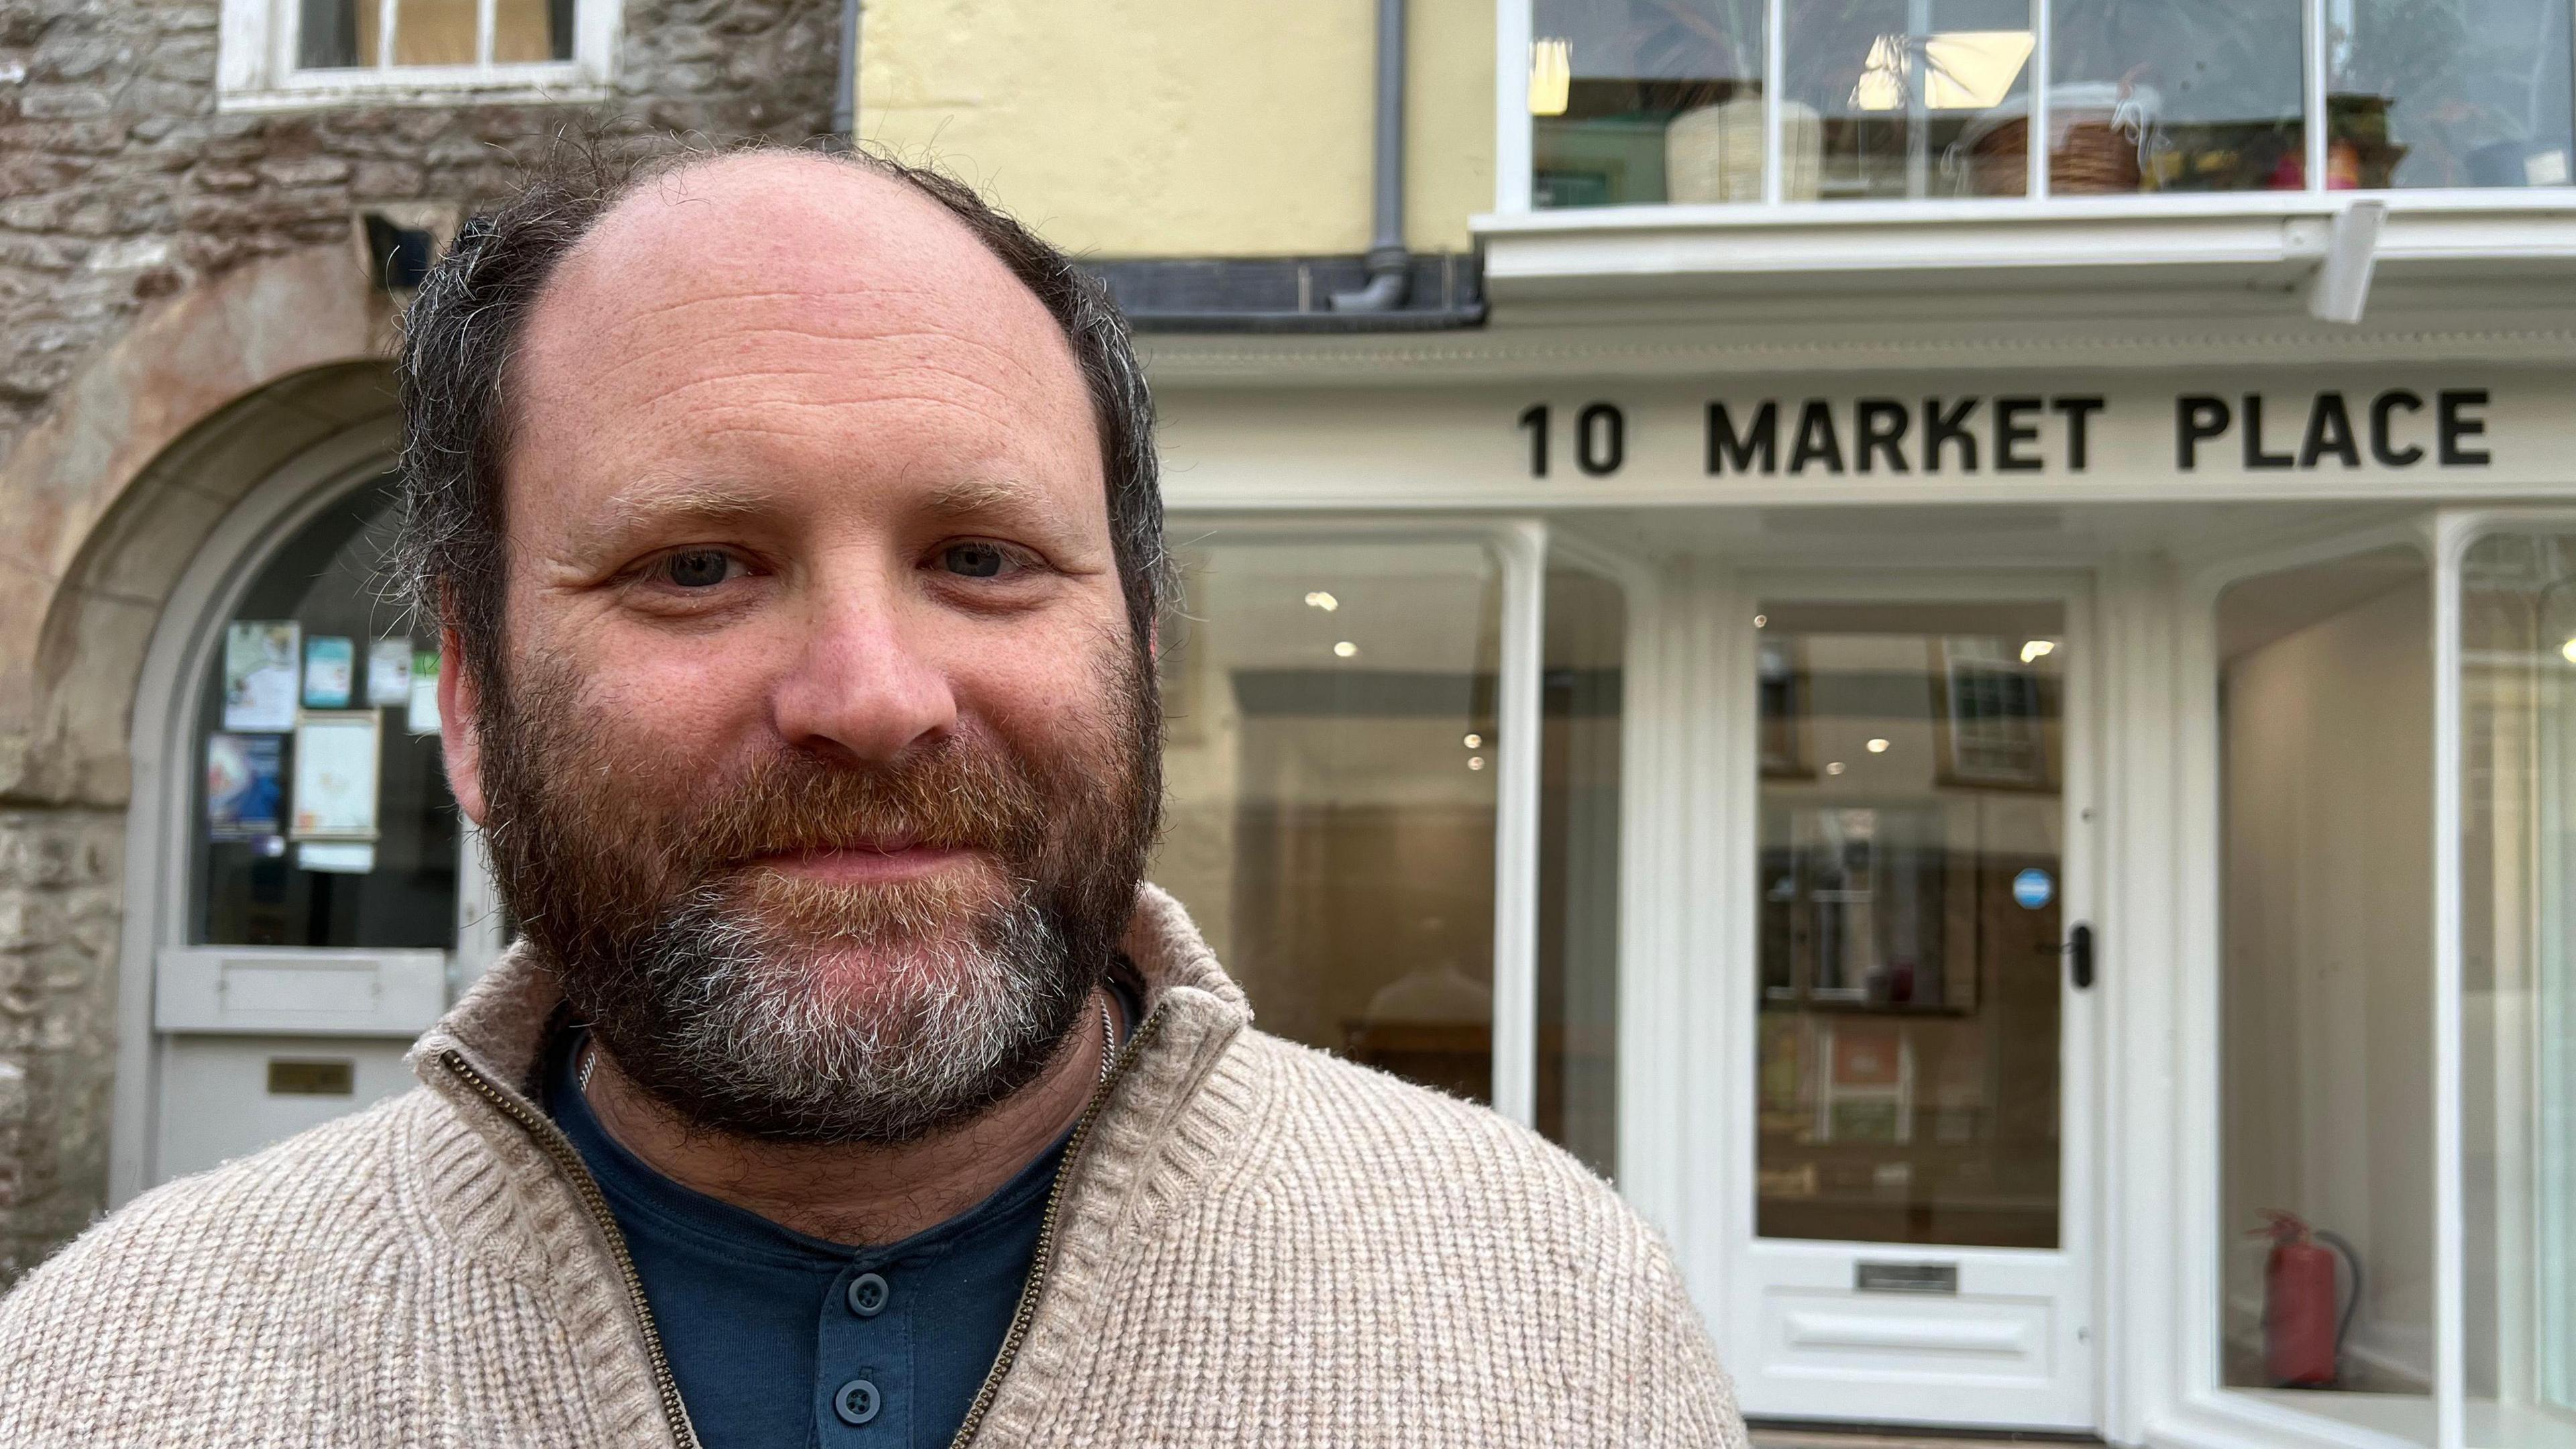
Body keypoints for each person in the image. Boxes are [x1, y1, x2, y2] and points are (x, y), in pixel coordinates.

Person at [0, 143, 1744, 1448]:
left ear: (1142, 642)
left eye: (981, 556)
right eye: (697, 567)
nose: (872, 698)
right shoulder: (104, 1379)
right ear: (468, 696)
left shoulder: (1562, 1327)